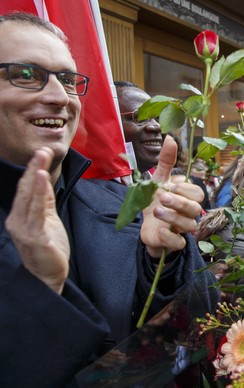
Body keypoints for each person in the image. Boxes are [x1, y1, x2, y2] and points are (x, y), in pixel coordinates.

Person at [0, 13, 217, 386]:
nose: (57, 97)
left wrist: (161, 263)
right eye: (26, 75)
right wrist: (39, 290)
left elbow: (198, 341)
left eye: (68, 80)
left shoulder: (126, 205)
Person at [114, 81, 162, 175]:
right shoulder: (85, 187)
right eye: (141, 118)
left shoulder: (160, 185)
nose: (157, 127)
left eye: (157, 118)